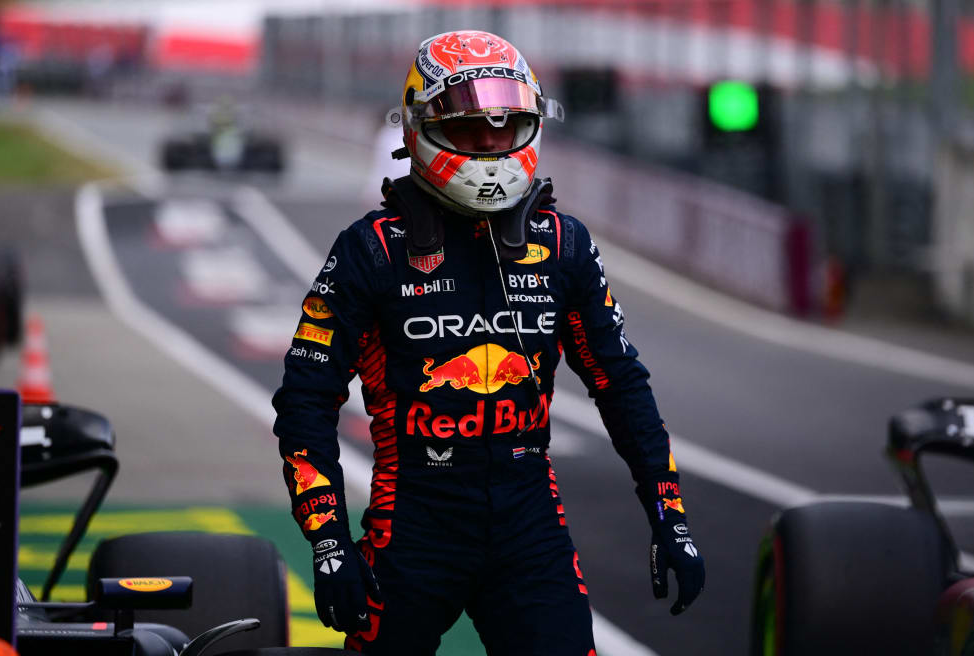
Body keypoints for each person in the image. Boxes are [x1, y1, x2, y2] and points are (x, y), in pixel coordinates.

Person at [272, 30, 705, 655]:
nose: (492, 146)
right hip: (411, 528)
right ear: (423, 128)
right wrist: (329, 539)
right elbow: (305, 401)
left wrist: (670, 514)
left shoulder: (565, 245)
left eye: (505, 128)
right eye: (472, 129)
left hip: (531, 527)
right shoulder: (370, 251)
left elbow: (620, 384)